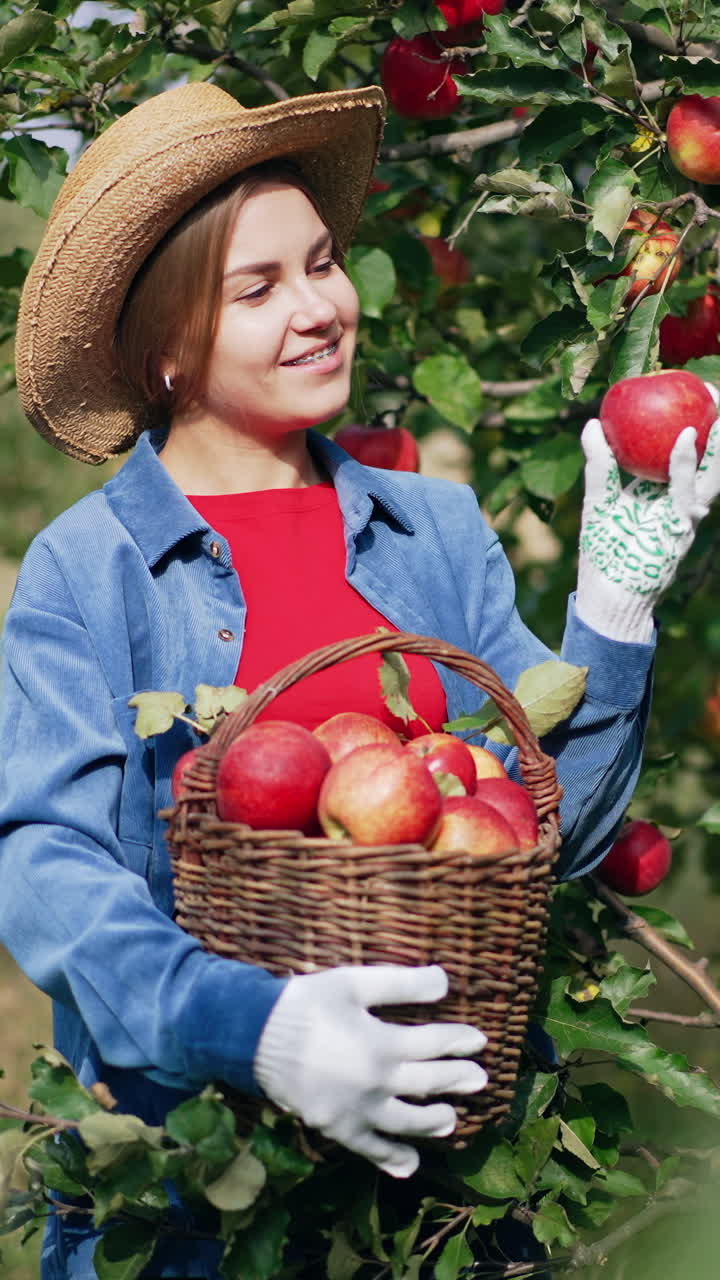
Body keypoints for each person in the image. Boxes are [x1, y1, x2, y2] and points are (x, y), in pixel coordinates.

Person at [1, 80, 719, 1280]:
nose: (321, 306)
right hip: (199, 1198)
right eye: (259, 287)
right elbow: (48, 869)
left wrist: (612, 607)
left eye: (324, 264)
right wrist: (257, 1030)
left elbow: (556, 832)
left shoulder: (433, 528)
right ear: (168, 348)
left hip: (452, 1190)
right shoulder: (95, 567)